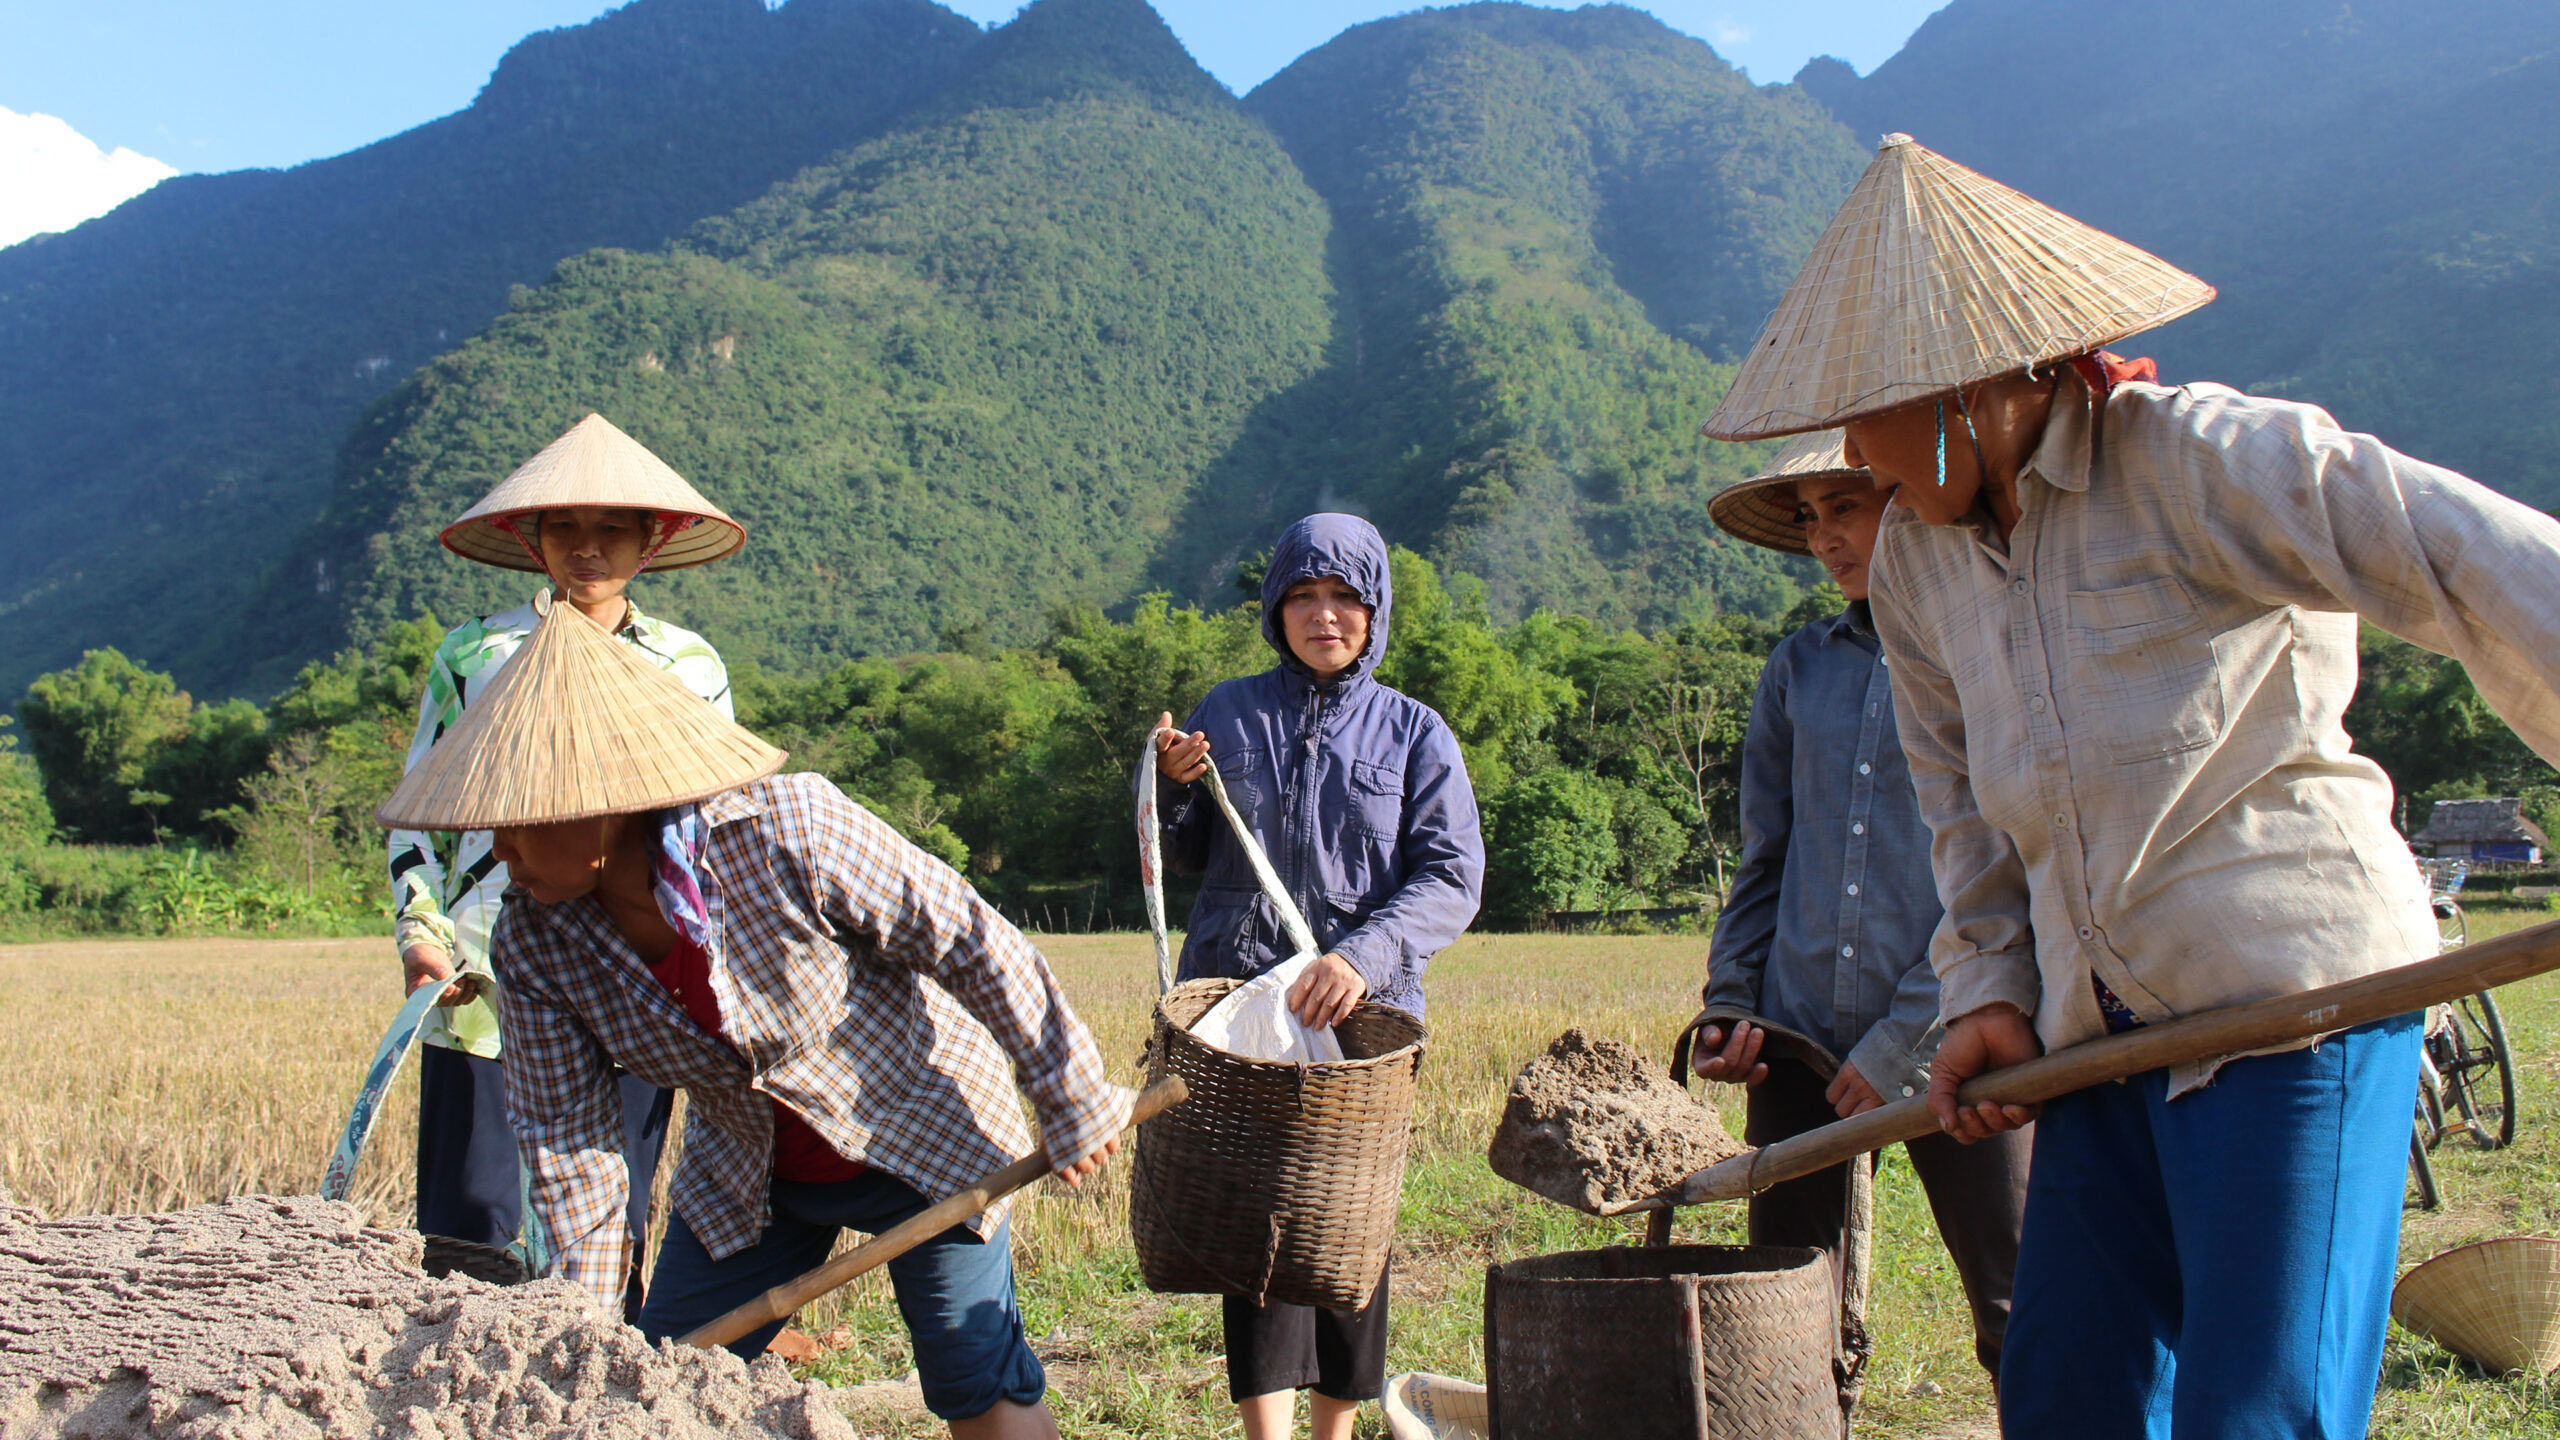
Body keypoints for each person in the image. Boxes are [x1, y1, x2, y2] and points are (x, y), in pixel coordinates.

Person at [1703, 133, 2560, 1438]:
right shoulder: (1924, 570)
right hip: (2098, 1037)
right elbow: (1963, 815)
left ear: (1978, 379)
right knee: (2068, 1394)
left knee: (2253, 1413)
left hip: (2294, 1015)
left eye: (1872, 409)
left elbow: (2464, 557)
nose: (1857, 455)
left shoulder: (2196, 462)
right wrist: (1988, 994)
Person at [375, 591, 1130, 1440]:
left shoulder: (787, 829)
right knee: (657, 1379)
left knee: (976, 1380)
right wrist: (581, 1349)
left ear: (605, 801)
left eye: (516, 824)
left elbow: (969, 940)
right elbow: (571, 1156)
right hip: (750, 1172)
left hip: (926, 1136)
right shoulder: (535, 944)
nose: (500, 853)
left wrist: (1068, 1091)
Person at [1691, 430, 2028, 1384]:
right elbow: (1769, 855)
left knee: (2019, 1300)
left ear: (1911, 500)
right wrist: (1731, 1005)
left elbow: (2009, 863)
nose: (1826, 538)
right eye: (1810, 518)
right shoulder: (1799, 668)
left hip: (1966, 1029)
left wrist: (1900, 1043)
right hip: (1798, 1042)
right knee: (1786, 1317)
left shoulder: (1990, 646)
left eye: (1847, 507)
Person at [388, 413, 743, 1315]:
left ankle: (603, 1387)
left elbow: (714, 830)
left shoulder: (687, 666)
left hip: (634, 973)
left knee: (609, 1206)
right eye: (565, 530)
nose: (587, 549)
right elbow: (419, 818)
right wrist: (419, 934)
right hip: (483, 976)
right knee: (471, 1221)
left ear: (650, 538)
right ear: (529, 538)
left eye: (612, 530)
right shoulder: (475, 657)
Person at [1148, 513, 1484, 1440]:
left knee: (1345, 1233)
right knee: (1252, 1228)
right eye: (1304, 596)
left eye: (1345, 598)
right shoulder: (1228, 709)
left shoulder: (1417, 731)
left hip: (1361, 1019)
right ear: (1275, 610)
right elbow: (1188, 859)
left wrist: (1360, 958)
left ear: (1374, 615)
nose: (1324, 615)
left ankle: (1333, 1431)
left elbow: (1452, 877)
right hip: (1242, 1008)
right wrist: (1178, 786)